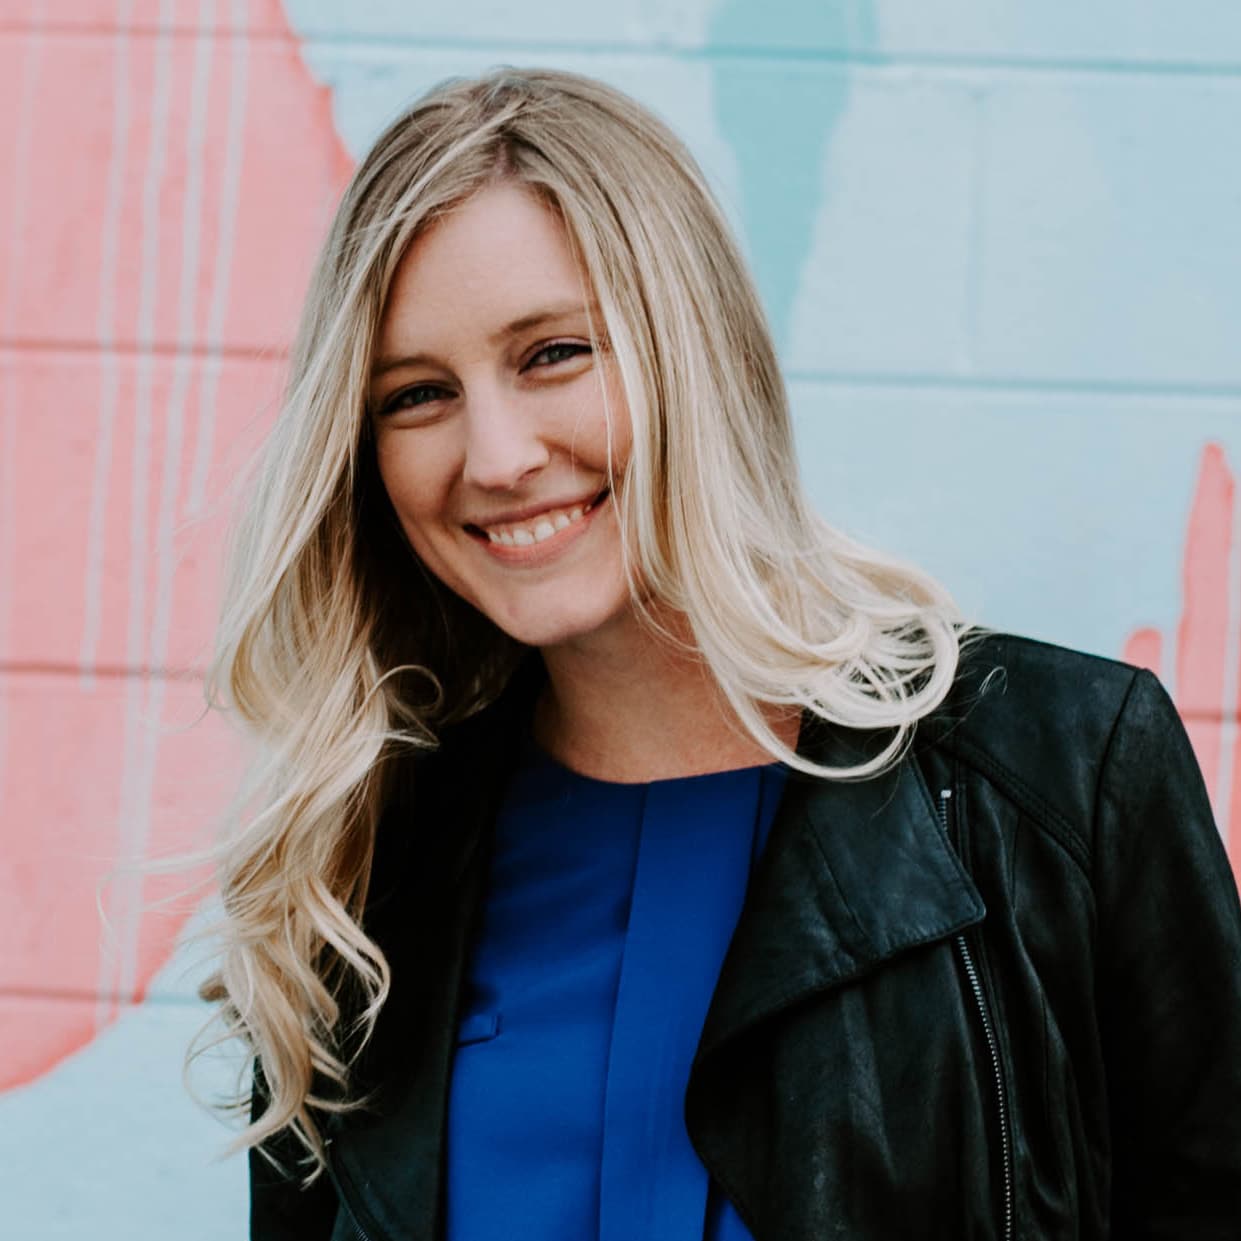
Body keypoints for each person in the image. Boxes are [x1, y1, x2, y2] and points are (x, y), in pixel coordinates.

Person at [198, 68, 1241, 1240]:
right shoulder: (356, 877)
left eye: (551, 354)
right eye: (417, 394)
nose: (494, 454)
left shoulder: (1058, 780)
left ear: (688, 348)